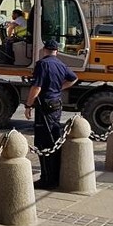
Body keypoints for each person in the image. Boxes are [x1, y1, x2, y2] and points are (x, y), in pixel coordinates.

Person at [23, 39, 78, 189]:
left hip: (44, 106)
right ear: (57, 51)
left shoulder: (43, 64)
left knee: (44, 143)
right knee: (54, 139)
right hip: (56, 104)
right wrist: (60, 88)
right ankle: (55, 175)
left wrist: (28, 105)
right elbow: (74, 78)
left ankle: (47, 178)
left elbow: (36, 87)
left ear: (44, 50)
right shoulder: (60, 64)